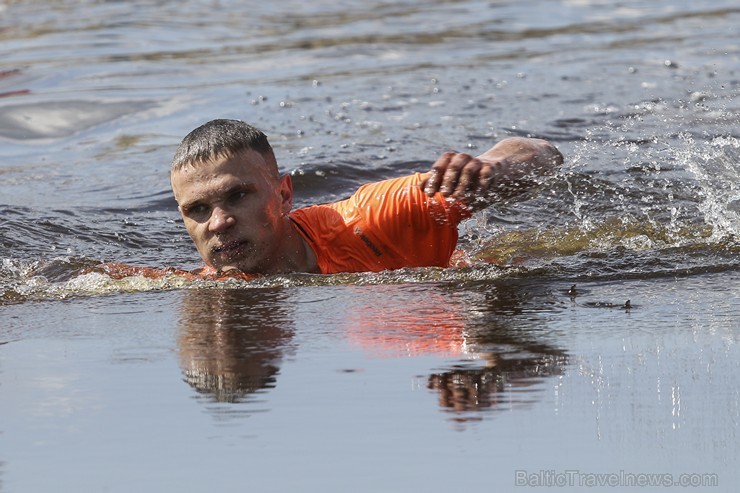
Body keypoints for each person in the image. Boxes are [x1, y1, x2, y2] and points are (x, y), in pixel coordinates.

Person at [169, 119, 563, 276]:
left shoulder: (374, 217)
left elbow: (542, 151)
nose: (218, 222)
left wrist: (491, 167)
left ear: (284, 195)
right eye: (197, 209)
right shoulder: (196, 289)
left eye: (238, 195)